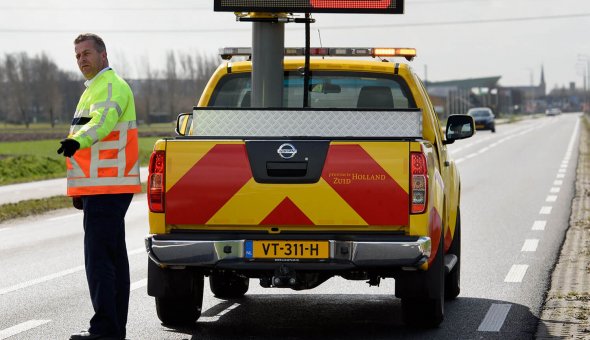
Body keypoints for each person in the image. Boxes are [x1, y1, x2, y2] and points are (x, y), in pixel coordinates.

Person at [57, 33, 141, 340]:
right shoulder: (94, 89)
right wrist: (80, 190)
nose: (81, 59)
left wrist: (77, 140)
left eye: (87, 53)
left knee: (100, 261)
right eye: (77, 55)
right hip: (101, 187)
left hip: (108, 188)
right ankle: (113, 329)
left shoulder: (110, 86)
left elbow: (101, 123)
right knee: (113, 259)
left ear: (103, 56)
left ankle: (105, 330)